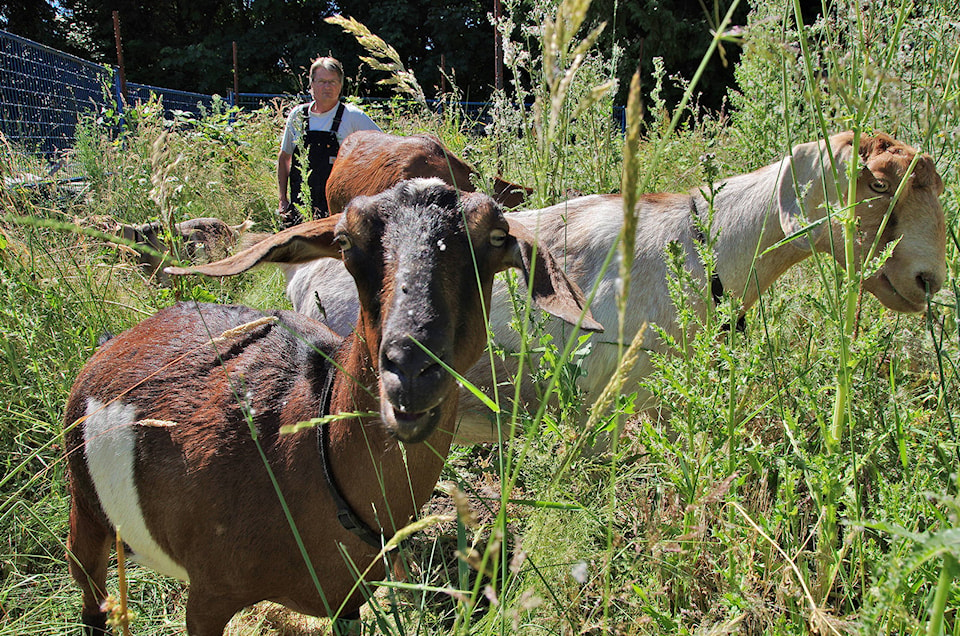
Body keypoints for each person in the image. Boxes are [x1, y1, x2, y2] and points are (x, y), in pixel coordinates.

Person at [277, 56, 381, 227]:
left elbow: (384, 151)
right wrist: (283, 199)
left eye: (333, 82)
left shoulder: (354, 117)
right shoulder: (298, 116)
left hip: (340, 211)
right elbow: (285, 158)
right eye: (322, 81)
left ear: (340, 85)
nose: (328, 87)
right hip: (301, 206)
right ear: (311, 84)